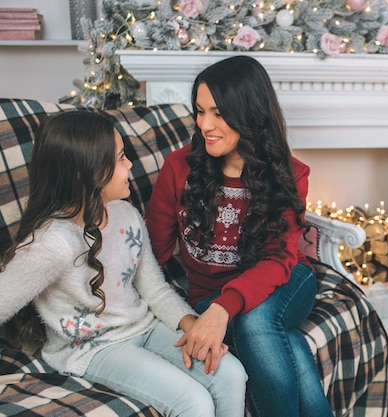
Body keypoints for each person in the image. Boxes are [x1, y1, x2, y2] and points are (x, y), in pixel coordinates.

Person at [0, 111, 247, 417]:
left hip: (143, 326)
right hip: (93, 348)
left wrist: (195, 327)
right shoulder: (53, 244)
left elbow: (155, 290)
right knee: (193, 401)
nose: (130, 164)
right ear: (87, 171)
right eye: (119, 158)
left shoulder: (125, 215)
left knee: (231, 373)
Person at [144, 55, 334, 417]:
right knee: (287, 343)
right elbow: (152, 251)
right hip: (206, 295)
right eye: (200, 112)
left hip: (287, 282)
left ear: (249, 114)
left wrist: (223, 308)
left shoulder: (290, 173)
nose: (205, 125)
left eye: (218, 113)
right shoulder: (179, 167)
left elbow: (279, 259)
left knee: (254, 319)